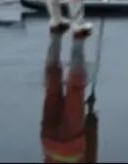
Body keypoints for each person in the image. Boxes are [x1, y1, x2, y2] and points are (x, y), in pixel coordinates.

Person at [40, 34, 95, 163]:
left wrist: (91, 118)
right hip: (49, 143)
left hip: (71, 147)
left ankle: (78, 39)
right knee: (52, 90)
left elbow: (91, 149)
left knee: (76, 90)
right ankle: (56, 35)